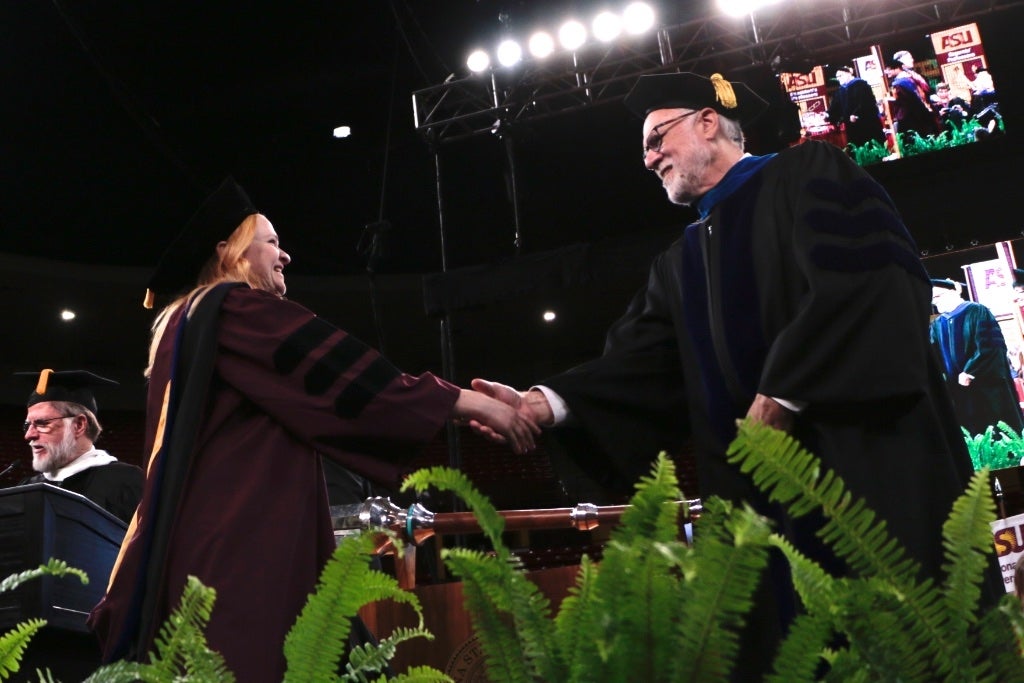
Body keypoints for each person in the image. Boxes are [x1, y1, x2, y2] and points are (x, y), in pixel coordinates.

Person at [470, 71, 995, 676]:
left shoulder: (810, 175)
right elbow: (640, 367)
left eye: (656, 137)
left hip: (863, 481)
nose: (648, 158)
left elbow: (871, 283)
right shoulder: (681, 262)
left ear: (708, 121)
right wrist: (543, 404)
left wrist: (785, 392)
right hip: (756, 519)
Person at [86, 177, 539, 682]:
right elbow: (351, 378)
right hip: (243, 550)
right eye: (272, 243)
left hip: (204, 541)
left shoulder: (188, 323)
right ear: (229, 251)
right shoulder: (235, 309)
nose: (285, 257)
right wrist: (467, 400)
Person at [17, 369, 143, 525]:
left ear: (79, 425)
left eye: (42, 424)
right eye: (27, 425)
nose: (29, 435)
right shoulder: (27, 488)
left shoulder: (126, 482)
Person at [930, 278, 1024, 437]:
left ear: (953, 292)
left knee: (998, 429)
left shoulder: (977, 311)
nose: (935, 302)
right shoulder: (938, 323)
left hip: (986, 384)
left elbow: (991, 346)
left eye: (938, 296)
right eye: (933, 299)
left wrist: (970, 371)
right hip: (958, 390)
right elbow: (933, 354)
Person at [826, 65, 885, 147]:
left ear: (849, 73)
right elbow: (836, 106)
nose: (838, 78)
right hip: (851, 126)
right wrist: (828, 114)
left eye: (840, 75)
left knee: (873, 145)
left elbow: (866, 102)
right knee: (858, 148)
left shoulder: (861, 84)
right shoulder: (841, 90)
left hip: (866, 122)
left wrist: (857, 114)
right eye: (837, 77)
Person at [883, 59, 939, 139]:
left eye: (888, 69)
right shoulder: (911, 78)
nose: (886, 72)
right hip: (922, 114)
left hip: (910, 118)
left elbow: (905, 104)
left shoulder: (900, 83)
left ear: (897, 68)